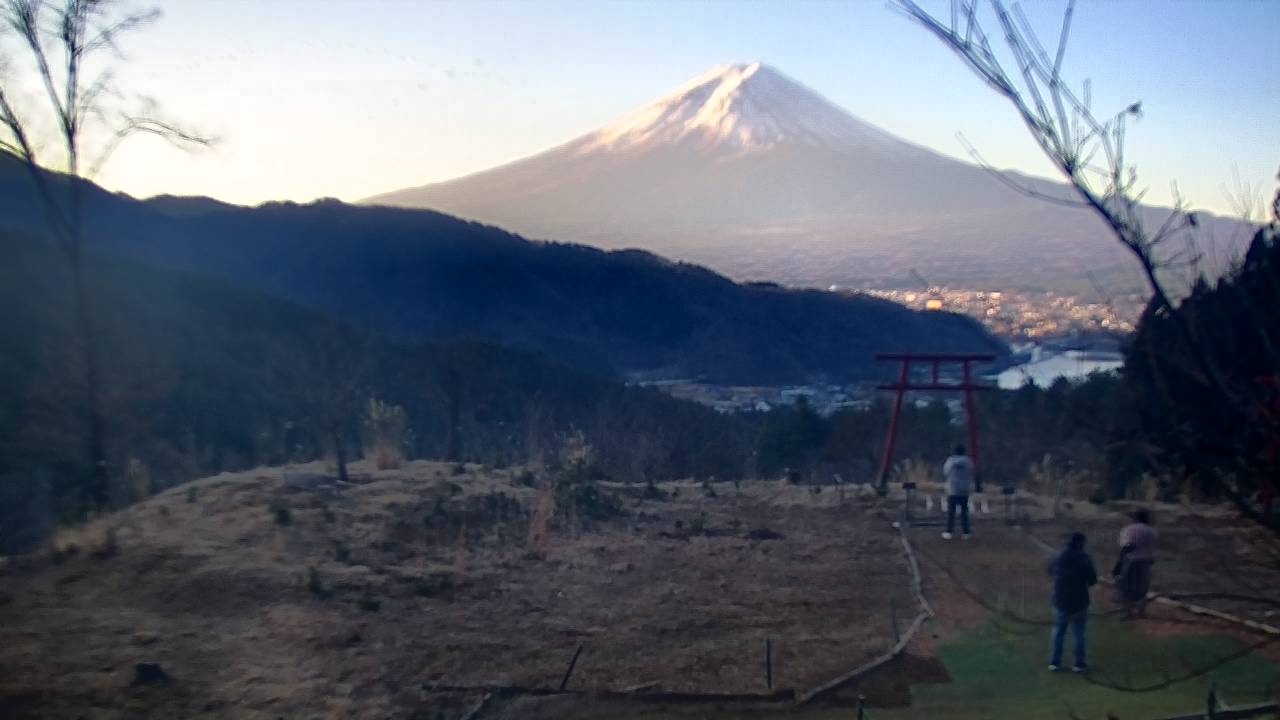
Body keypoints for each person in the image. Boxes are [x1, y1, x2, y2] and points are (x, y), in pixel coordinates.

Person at [1048, 532, 1098, 672]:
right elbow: (1092, 580)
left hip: (1060, 599)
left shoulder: (1058, 557)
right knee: (1079, 633)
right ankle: (1079, 664)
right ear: (1081, 543)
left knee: (1058, 632)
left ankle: (1055, 662)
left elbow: (1050, 571)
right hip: (1079, 600)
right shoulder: (1084, 558)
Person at [1114, 509, 1158, 619]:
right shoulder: (1152, 531)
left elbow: (1127, 547)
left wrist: (1118, 564)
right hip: (1146, 561)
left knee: (1125, 586)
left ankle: (1127, 612)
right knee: (1142, 587)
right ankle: (1141, 611)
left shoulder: (1129, 529)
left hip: (1131, 560)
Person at [942, 444, 974, 540]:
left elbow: (945, 472)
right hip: (964, 490)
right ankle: (966, 532)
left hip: (953, 489)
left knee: (951, 512)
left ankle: (949, 531)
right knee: (964, 512)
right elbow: (971, 471)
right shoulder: (968, 461)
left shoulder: (950, 461)